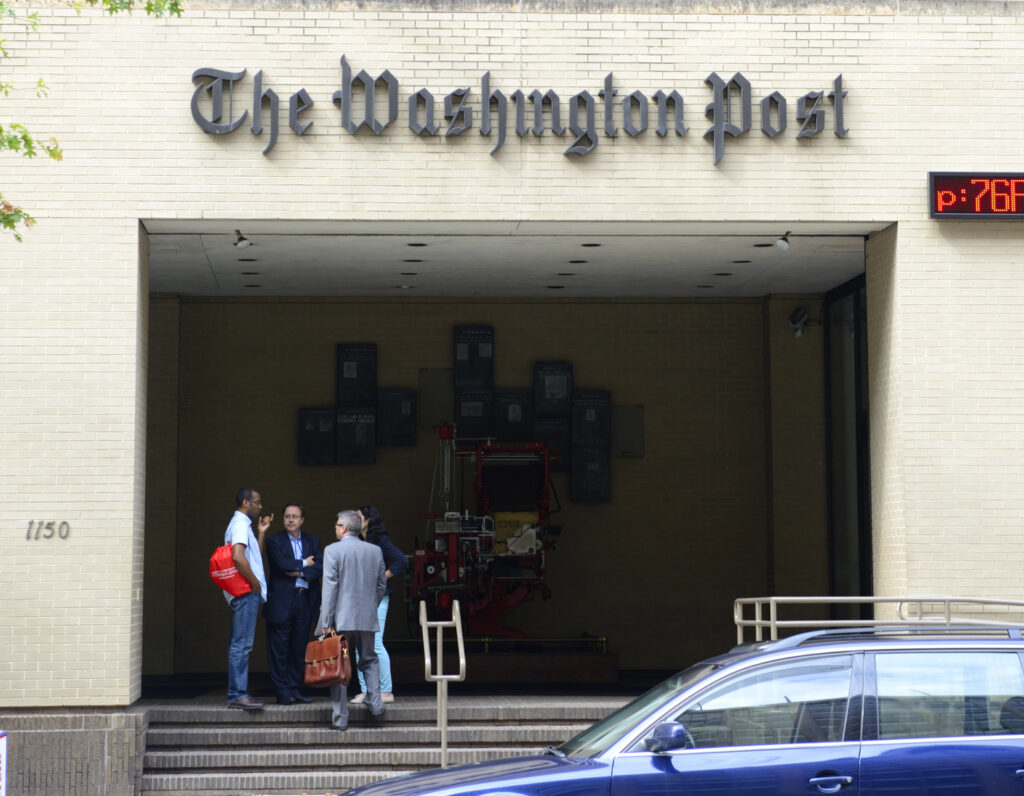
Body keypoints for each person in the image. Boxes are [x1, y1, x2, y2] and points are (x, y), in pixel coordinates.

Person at [317, 509, 387, 731]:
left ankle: (340, 718)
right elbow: (381, 586)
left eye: (337, 524)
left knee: (339, 664)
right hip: (366, 616)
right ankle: (376, 705)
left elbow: (330, 589)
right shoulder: (375, 551)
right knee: (369, 659)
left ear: (344, 528)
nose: (335, 527)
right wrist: (371, 606)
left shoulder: (332, 551)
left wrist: (326, 622)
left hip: (340, 618)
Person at [264, 502, 323, 705]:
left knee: (299, 648)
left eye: (295, 516)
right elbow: (282, 565)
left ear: (302, 520)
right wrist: (306, 563)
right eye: (287, 516)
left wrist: (298, 571)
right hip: (281, 602)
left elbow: (321, 566)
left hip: (304, 600)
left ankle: (294, 688)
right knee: (279, 648)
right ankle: (282, 691)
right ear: (283, 519)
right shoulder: (274, 541)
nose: (291, 519)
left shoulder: (313, 541)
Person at [350, 505, 408, 705]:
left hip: (378, 595)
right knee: (359, 645)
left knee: (375, 643)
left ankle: (385, 691)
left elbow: (401, 560)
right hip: (359, 597)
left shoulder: (381, 539)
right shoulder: (355, 539)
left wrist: (382, 577)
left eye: (358, 517)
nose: (355, 520)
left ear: (369, 520)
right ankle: (366, 691)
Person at [223, 486, 272, 710]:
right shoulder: (240, 524)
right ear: (245, 502)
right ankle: (236, 695)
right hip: (245, 592)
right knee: (241, 644)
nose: (260, 506)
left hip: (245, 591)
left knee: (243, 643)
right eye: (257, 502)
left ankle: (239, 693)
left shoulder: (245, 526)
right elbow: (238, 556)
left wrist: (261, 533)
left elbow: (254, 558)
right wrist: (254, 583)